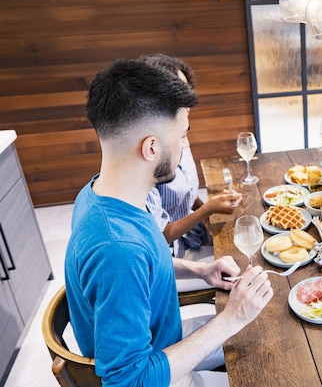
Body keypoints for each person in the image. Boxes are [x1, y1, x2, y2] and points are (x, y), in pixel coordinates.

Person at [64, 58, 273, 386]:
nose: (185, 144)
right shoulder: (117, 248)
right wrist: (230, 319)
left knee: (265, 335)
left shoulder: (99, 194)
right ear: (151, 147)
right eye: (182, 135)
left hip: (162, 338)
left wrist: (200, 270)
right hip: (160, 372)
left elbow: (145, 261)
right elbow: (129, 381)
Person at [140, 53, 241, 259]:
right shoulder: (148, 156)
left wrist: (206, 211)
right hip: (173, 253)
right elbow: (160, 236)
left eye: (186, 91)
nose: (187, 104)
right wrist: (206, 211)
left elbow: (185, 190)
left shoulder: (180, 134)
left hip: (195, 230)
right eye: (178, 95)